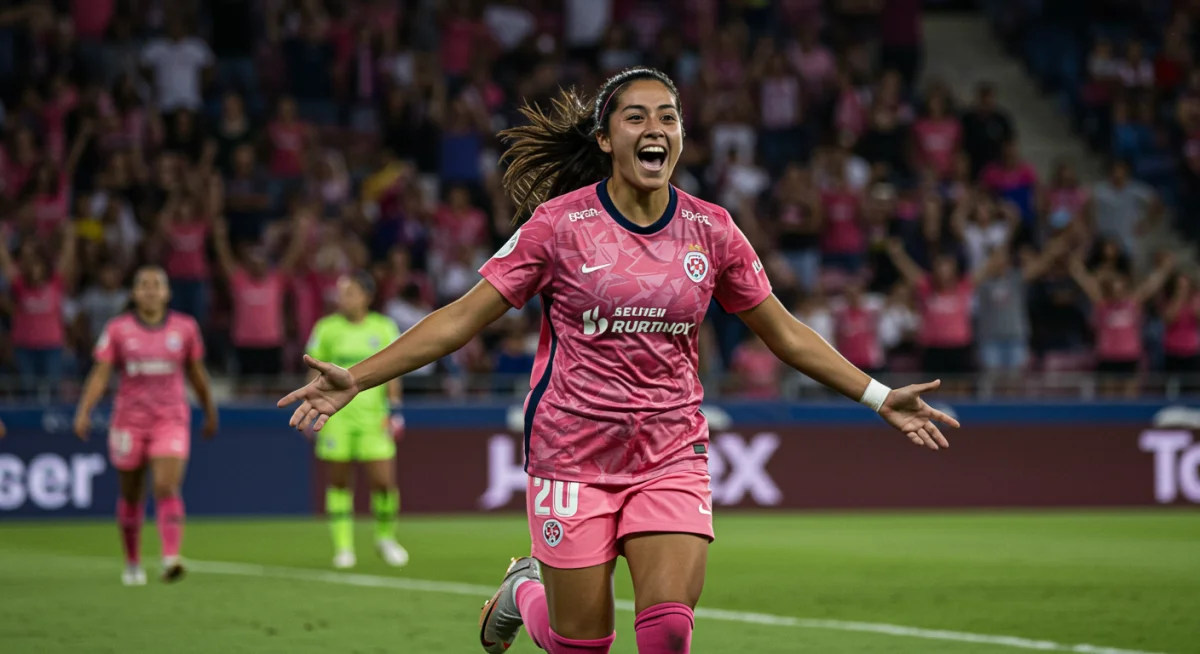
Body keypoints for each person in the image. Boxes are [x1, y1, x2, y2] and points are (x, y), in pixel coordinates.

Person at [279, 68, 957, 654]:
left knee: (668, 632)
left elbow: (783, 332)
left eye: (668, 117)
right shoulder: (558, 226)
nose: (654, 128)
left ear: (681, 137)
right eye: (636, 117)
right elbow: (462, 318)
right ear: (605, 139)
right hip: (572, 452)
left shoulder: (713, 230)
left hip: (670, 449)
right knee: (581, 643)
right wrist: (358, 378)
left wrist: (878, 395)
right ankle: (522, 591)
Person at [74, 266, 218, 586]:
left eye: (157, 285)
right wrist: (84, 411)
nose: (150, 290)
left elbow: (196, 373)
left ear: (167, 293)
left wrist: (209, 409)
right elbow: (101, 373)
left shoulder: (185, 328)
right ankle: (132, 562)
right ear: (134, 293)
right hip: (129, 421)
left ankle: (170, 557)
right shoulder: (118, 329)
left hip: (170, 418)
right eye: (143, 285)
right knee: (131, 493)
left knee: (166, 485)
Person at [304, 271, 408, 569]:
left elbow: (394, 371)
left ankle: (385, 538)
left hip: (374, 418)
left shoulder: (383, 327)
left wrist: (395, 411)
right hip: (336, 417)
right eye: (341, 293)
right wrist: (310, 406)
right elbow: (314, 371)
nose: (343, 299)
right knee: (339, 482)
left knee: (384, 482)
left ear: (367, 296)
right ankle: (343, 547)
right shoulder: (326, 328)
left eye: (350, 292)